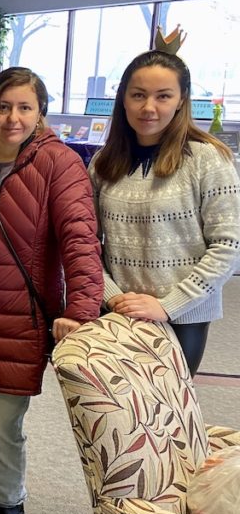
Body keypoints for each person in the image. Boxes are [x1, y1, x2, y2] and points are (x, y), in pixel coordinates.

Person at [0, 67, 103, 514]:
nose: (12, 117)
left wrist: (80, 310)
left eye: (24, 107)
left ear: (40, 111)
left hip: (24, 318)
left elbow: (81, 240)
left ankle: (9, 504)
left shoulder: (59, 163)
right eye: (2, 106)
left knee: (0, 420)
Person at [90, 50, 240, 375]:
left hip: (184, 317)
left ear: (180, 101)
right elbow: (86, 243)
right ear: (123, 99)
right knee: (116, 418)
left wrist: (167, 305)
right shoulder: (103, 163)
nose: (148, 107)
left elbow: (229, 247)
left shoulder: (207, 160)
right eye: (138, 95)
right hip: (117, 312)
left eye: (163, 96)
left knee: (162, 421)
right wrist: (114, 298)